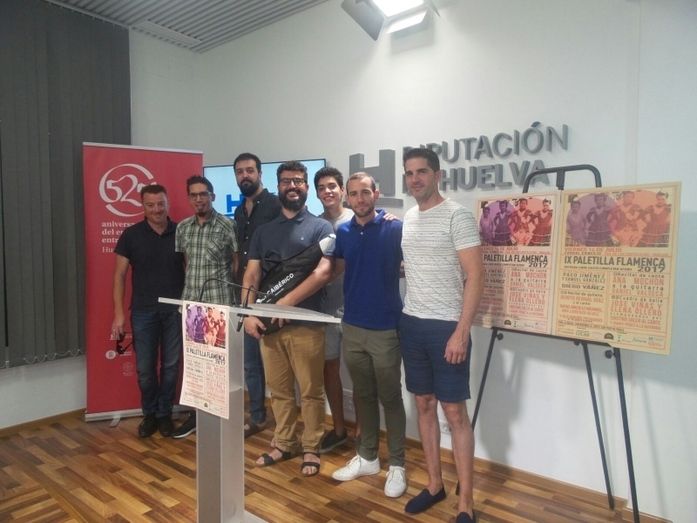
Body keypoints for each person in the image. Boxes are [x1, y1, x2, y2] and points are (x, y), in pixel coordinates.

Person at [400, 148, 483, 523]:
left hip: (447, 326)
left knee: (454, 413)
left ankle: (466, 504)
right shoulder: (409, 217)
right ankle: (435, 485)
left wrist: (461, 332)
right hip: (412, 323)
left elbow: (476, 276)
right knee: (423, 404)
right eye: (409, 173)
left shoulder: (457, 215)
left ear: (437, 175)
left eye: (422, 172)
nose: (415, 179)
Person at [242, 161, 334, 477]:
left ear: (306, 187)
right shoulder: (264, 231)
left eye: (298, 180)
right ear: (278, 186)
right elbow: (251, 274)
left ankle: (311, 447)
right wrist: (248, 312)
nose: (292, 186)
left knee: (310, 392)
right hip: (269, 326)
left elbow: (323, 273)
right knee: (279, 391)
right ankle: (284, 443)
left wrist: (284, 305)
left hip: (307, 324)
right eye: (286, 181)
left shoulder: (321, 228)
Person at [330, 173, 407, 498]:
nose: (360, 199)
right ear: (347, 198)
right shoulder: (343, 231)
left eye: (365, 192)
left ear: (376, 194)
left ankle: (398, 464)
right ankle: (368, 457)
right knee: (363, 395)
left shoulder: (395, 228)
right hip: (352, 326)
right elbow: (336, 269)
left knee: (390, 397)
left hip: (386, 328)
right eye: (354, 194)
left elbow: (412, 264)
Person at [112, 184, 185, 438]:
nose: (156, 209)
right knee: (145, 369)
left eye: (160, 204)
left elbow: (190, 270)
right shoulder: (131, 235)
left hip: (175, 312)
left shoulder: (181, 232)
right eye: (150, 205)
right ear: (142, 206)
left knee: (171, 366)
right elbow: (119, 276)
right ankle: (150, 414)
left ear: (167, 203)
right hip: (143, 312)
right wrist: (119, 315)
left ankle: (165, 414)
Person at [172, 175, 239, 438]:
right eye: (194, 195)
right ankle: (197, 416)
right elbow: (186, 263)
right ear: (189, 198)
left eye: (203, 194)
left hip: (217, 306)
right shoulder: (183, 228)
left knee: (218, 365)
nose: (199, 199)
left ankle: (219, 418)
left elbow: (236, 263)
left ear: (212, 196)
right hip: (192, 307)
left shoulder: (227, 225)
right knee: (196, 365)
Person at [233, 152, 282, 438]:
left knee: (278, 364)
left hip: (272, 295)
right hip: (246, 295)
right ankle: (258, 417)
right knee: (251, 363)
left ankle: (285, 423)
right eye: (240, 172)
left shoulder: (275, 205)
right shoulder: (240, 211)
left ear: (260, 173)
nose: (245, 176)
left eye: (250, 170)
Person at [314, 167, 356, 453]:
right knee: (329, 369)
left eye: (332, 186)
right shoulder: (315, 225)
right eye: (322, 187)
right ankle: (339, 428)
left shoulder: (357, 218)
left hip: (355, 309)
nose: (327, 191)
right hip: (325, 310)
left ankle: (363, 433)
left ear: (342, 190)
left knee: (360, 373)